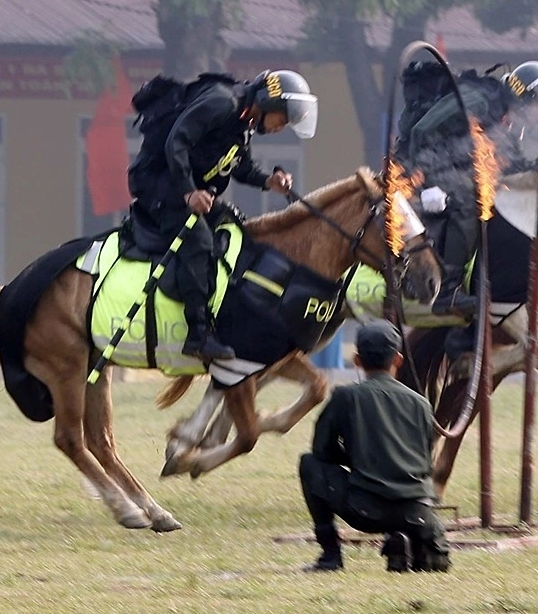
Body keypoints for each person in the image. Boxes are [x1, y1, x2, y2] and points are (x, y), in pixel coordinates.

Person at [127, 69, 317, 361]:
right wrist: (189, 192)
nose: (282, 127)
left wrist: (269, 181)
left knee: (235, 227)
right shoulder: (222, 102)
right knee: (200, 241)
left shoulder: (244, 122)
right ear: (269, 101)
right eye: (283, 119)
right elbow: (175, 142)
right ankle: (198, 336)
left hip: (186, 188)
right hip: (158, 183)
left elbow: (239, 167)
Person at [399, 60, 538, 317]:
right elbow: (422, 131)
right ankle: (446, 289)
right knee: (472, 199)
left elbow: (508, 166)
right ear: (526, 96)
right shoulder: (479, 101)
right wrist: (425, 182)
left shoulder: (508, 121)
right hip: (418, 170)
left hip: (451, 169)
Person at [298, 319, 451, 573]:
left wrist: (358, 457)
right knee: (435, 560)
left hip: (366, 511)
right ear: (398, 360)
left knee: (309, 464)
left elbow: (321, 452)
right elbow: (425, 460)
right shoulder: (420, 404)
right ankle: (407, 540)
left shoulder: (345, 397)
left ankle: (330, 555)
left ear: (357, 360)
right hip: (419, 511)